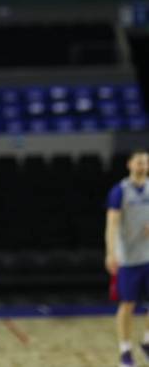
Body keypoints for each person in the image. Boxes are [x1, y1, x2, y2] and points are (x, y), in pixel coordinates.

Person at [106, 148, 149, 367]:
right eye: (139, 162)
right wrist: (111, 252)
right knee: (128, 304)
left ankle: (147, 342)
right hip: (129, 258)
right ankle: (125, 349)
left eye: (146, 163)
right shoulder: (120, 191)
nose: (143, 166)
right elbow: (111, 225)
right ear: (130, 164)